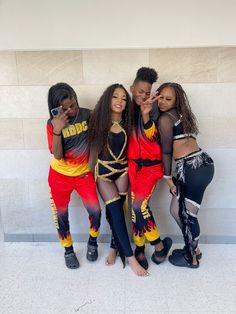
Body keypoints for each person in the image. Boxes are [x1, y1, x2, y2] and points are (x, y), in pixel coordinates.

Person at [89, 83, 148, 276]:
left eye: (124, 98)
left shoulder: (130, 121)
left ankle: (114, 247)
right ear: (108, 98)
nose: (120, 101)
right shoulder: (96, 120)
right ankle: (130, 259)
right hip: (104, 174)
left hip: (122, 172)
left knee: (121, 213)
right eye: (115, 96)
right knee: (114, 213)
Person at [157, 82, 214, 268]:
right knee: (176, 210)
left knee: (187, 215)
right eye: (161, 97)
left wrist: (168, 180)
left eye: (168, 99)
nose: (163, 102)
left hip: (192, 169)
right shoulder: (183, 114)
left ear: (176, 100)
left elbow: (166, 152)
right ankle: (194, 248)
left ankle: (192, 259)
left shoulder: (166, 118)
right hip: (202, 163)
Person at [46, 82, 102, 269]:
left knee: (96, 211)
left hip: (83, 174)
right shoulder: (52, 124)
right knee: (61, 215)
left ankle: (92, 243)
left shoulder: (86, 115)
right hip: (59, 176)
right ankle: (68, 250)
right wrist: (57, 129)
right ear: (55, 109)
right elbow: (58, 155)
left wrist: (93, 165)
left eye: (73, 105)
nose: (71, 110)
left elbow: (97, 138)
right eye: (65, 108)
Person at [128, 67, 173, 270]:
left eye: (147, 92)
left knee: (139, 207)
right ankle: (139, 248)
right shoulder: (126, 110)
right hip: (132, 167)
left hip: (151, 168)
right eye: (140, 91)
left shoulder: (154, 109)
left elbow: (153, 137)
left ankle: (159, 245)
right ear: (132, 89)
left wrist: (146, 116)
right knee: (134, 210)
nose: (144, 96)